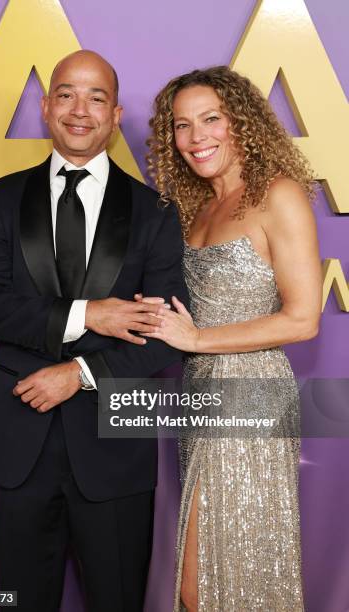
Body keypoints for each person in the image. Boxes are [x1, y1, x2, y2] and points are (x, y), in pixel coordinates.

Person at [0, 50, 188, 612]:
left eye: (96, 97)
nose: (79, 110)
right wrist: (88, 313)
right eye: (66, 94)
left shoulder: (156, 210)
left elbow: (162, 332)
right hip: (21, 443)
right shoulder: (2, 197)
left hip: (115, 448)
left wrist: (80, 373)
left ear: (114, 115)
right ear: (45, 107)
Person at [145, 66, 322, 611]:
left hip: (250, 394)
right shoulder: (195, 207)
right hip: (201, 395)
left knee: (211, 581)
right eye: (181, 126)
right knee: (215, 578)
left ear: (240, 123)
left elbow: (302, 320)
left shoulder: (278, 195)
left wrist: (196, 339)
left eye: (211, 119)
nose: (197, 138)